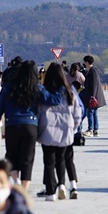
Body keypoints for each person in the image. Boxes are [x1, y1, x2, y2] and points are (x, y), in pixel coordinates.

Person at [0, 61, 62, 190]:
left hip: (12, 124)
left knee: (12, 155)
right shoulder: (37, 87)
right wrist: (62, 87)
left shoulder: (8, 87)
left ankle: (16, 181)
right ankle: (24, 187)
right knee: (27, 157)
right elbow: (54, 100)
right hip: (30, 126)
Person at [37, 64, 82, 201]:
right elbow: (77, 113)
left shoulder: (44, 92)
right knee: (61, 159)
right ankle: (62, 185)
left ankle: (51, 193)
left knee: (49, 162)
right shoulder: (69, 92)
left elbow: (38, 112)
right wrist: (72, 128)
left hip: (47, 130)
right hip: (65, 129)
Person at [80, 55, 106, 137]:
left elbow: (94, 84)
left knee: (89, 112)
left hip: (93, 96)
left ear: (87, 62)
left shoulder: (93, 71)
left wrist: (92, 96)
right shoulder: (91, 70)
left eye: (85, 62)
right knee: (94, 113)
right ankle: (95, 129)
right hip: (93, 95)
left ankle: (90, 129)